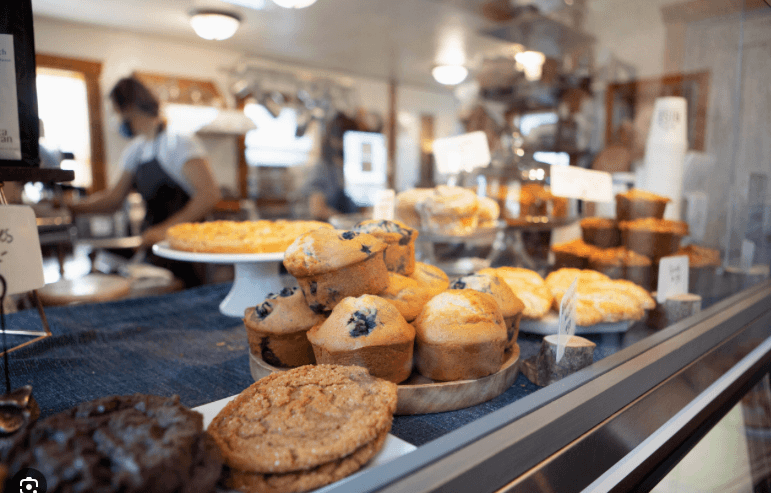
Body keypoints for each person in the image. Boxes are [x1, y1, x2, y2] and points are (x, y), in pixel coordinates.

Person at [69, 77, 221, 286]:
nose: (116, 119)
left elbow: (209, 195)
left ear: (129, 107)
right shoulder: (136, 150)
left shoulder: (179, 143)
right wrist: (70, 207)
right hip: (152, 249)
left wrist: (165, 231)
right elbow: (112, 199)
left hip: (185, 251)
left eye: (115, 111)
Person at [304, 112, 360, 220]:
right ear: (334, 139)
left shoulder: (351, 167)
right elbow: (318, 209)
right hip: (329, 230)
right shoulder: (322, 168)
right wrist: (347, 221)